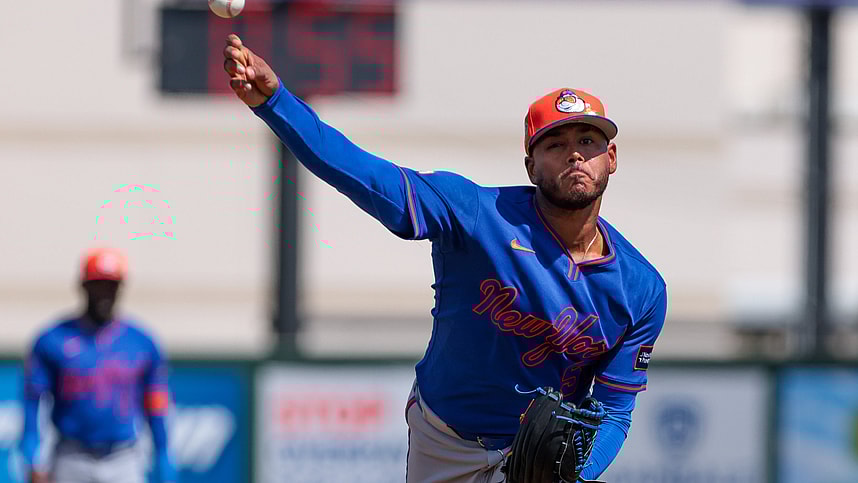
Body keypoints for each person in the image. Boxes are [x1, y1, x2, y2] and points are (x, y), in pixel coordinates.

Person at [222, 34, 667, 482]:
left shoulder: (641, 289)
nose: (574, 153)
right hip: (445, 441)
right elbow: (365, 173)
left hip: (539, 457)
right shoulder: (477, 214)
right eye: (555, 144)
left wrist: (578, 478)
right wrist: (277, 103)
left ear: (610, 157)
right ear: (531, 166)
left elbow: (615, 412)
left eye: (588, 140)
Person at [19, 247, 176, 483]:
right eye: (97, 285)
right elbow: (34, 402)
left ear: (120, 289)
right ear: (83, 286)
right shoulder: (53, 339)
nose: (104, 293)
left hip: (123, 457)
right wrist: (32, 454)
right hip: (71, 455)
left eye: (110, 286)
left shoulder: (141, 342)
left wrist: (163, 455)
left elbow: (156, 403)